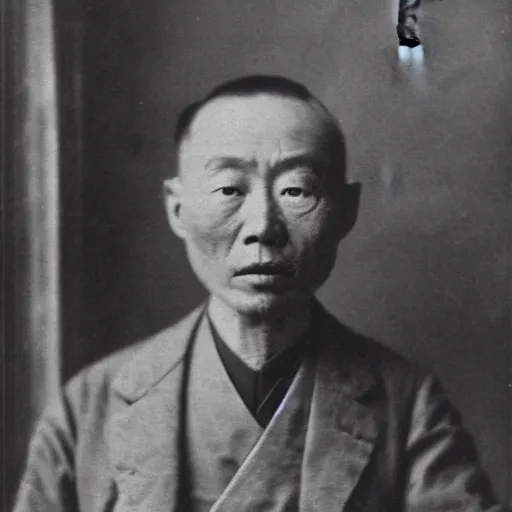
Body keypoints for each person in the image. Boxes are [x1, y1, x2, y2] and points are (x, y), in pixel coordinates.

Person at [14, 75, 504, 512]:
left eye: (297, 190)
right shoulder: (88, 407)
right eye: (229, 189)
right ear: (177, 209)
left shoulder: (407, 402)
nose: (263, 228)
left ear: (345, 211)